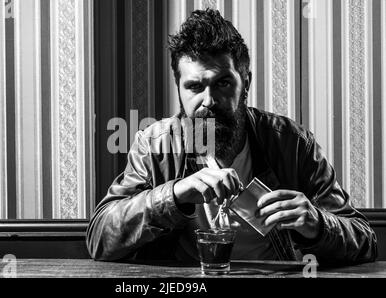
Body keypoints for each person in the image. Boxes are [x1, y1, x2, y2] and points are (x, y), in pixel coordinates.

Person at [86, 9, 377, 265]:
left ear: (245, 82)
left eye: (223, 83)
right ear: (179, 88)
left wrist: (317, 223)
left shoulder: (293, 143)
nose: (208, 100)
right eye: (194, 87)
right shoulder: (154, 144)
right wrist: (175, 194)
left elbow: (365, 241)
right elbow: (100, 238)